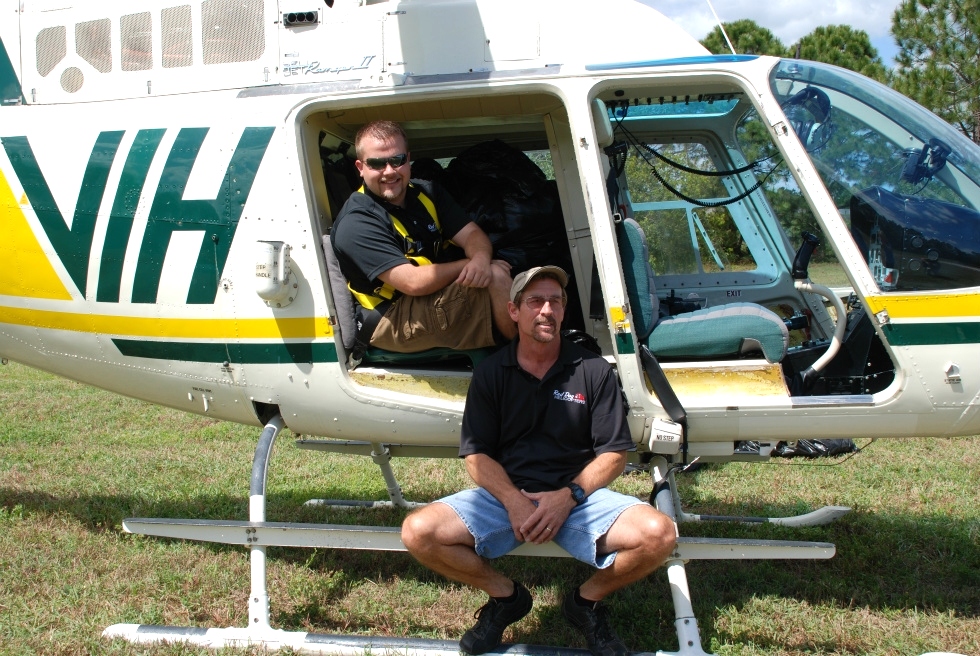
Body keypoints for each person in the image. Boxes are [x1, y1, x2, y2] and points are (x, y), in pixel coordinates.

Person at [401, 266, 677, 656]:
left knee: (660, 534)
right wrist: (514, 501)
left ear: (564, 311)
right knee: (418, 532)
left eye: (555, 302)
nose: (546, 310)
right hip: (505, 499)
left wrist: (568, 496)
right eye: (535, 301)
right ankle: (507, 598)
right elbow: (476, 455)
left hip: (578, 501)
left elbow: (614, 454)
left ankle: (584, 604)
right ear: (514, 311)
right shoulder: (491, 373)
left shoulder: (593, 371)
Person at [331, 120, 515, 353]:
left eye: (397, 160)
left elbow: (472, 235)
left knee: (534, 286)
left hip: (431, 295)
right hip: (390, 317)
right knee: (496, 277)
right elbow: (413, 282)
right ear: (360, 167)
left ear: (408, 160)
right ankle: (526, 367)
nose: (389, 171)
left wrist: (479, 259)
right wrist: (472, 266)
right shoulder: (356, 222)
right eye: (377, 163)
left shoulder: (428, 192)